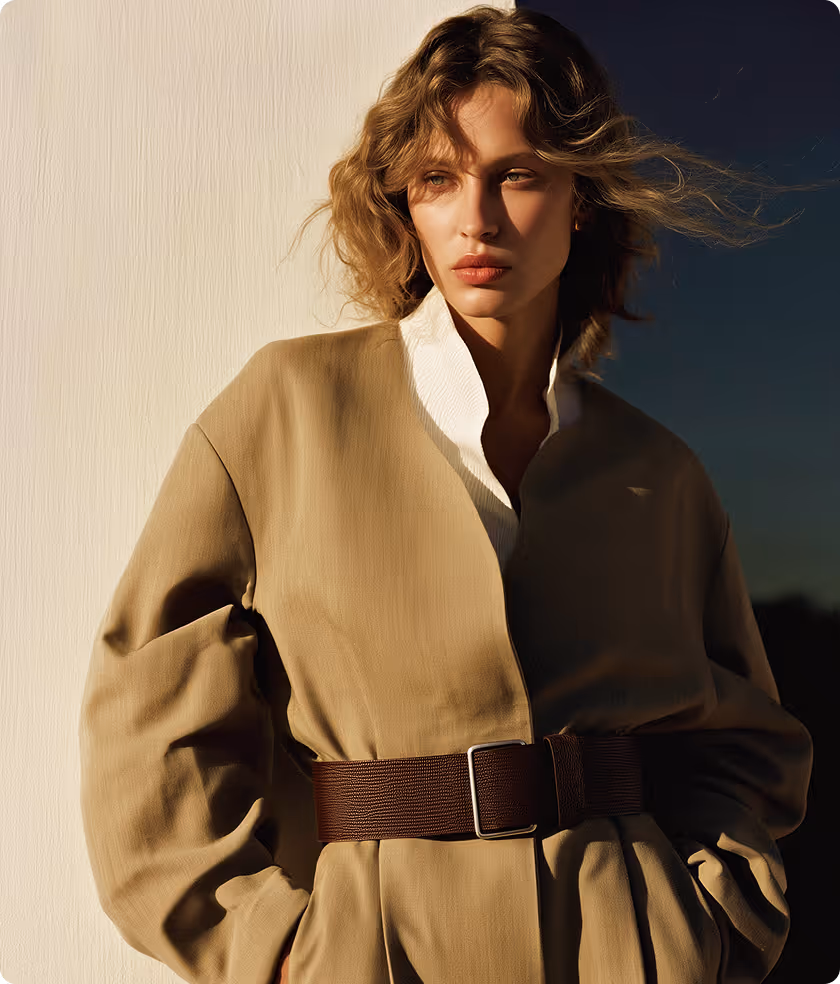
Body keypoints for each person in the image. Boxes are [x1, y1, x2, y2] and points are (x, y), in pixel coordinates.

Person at [79, 7, 826, 984]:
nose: (475, 218)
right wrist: (278, 954)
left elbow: (743, 748)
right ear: (406, 204)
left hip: (622, 951)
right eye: (438, 179)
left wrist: (702, 931)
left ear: (580, 196)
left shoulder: (663, 474)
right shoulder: (284, 411)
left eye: (516, 174)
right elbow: (148, 729)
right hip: (377, 953)